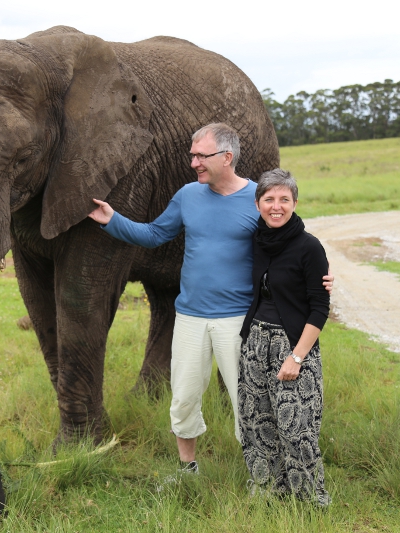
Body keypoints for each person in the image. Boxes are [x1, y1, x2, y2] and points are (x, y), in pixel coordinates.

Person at [87, 123, 332, 476]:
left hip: (239, 320)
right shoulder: (187, 195)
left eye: (201, 155)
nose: (194, 163)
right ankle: (188, 468)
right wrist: (112, 220)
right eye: (193, 155)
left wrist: (320, 275)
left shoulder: (257, 199)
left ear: (227, 157)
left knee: (245, 400)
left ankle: (259, 472)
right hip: (190, 316)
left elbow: (291, 244)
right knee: (184, 396)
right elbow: (156, 234)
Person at [238, 168, 330, 505]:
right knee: (255, 421)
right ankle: (266, 493)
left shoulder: (309, 247)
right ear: (258, 202)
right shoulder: (258, 240)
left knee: (297, 429)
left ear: (294, 202)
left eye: (284, 199)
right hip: (255, 343)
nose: (276, 206)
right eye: (269, 199)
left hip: (292, 346)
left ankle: (308, 502)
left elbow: (320, 307)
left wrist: (297, 357)